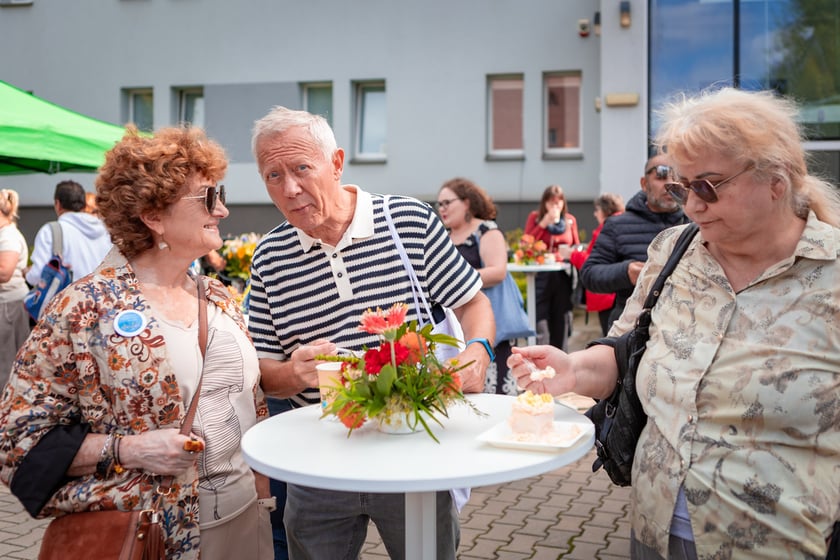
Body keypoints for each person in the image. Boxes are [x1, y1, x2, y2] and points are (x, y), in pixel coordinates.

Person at [509, 87, 840, 559]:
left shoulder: (831, 271)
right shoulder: (674, 250)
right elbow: (625, 347)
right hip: (654, 530)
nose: (692, 206)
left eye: (707, 186)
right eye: (682, 189)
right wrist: (574, 370)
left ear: (777, 179)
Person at [0, 126, 273, 560]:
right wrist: (129, 449)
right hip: (155, 535)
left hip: (245, 523)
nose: (221, 209)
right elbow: (17, 439)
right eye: (207, 197)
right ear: (153, 215)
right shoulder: (85, 309)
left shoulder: (218, 296)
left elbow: (246, 402)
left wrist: (263, 498)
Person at [248, 106, 495, 560]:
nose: (290, 188)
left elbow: (473, 302)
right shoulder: (269, 256)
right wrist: (294, 374)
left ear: (337, 163)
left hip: (412, 445)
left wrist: (477, 351)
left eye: (302, 168)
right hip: (318, 459)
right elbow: (264, 372)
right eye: (273, 175)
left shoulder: (408, 221)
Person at [580, 154, 689, 333]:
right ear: (644, 184)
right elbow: (589, 274)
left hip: (682, 330)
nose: (670, 184)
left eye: (676, 177)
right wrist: (626, 272)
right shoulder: (617, 225)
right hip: (631, 334)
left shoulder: (695, 225)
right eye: (661, 175)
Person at [437, 177, 515, 394]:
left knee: (495, 389)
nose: (442, 209)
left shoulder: (486, 231)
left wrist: (457, 280)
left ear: (467, 202)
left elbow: (498, 270)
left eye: (447, 203)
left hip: (491, 321)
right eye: (439, 205)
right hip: (457, 327)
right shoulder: (443, 237)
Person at [25, 180, 112, 288]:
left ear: (57, 204)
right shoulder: (107, 231)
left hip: (65, 301)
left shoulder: (51, 231)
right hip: (101, 298)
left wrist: (26, 274)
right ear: (84, 205)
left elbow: (37, 275)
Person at [524, 185, 580, 351]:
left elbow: (576, 244)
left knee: (561, 319)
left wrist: (570, 252)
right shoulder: (535, 218)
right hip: (541, 274)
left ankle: (560, 358)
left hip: (562, 274)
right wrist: (543, 224)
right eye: (551, 203)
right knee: (540, 319)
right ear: (545, 203)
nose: (555, 206)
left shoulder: (569, 220)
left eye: (558, 202)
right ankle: (540, 354)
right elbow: (525, 243)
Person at [568, 193, 624, 336]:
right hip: (620, 291)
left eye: (597, 210)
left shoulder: (606, 229)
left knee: (610, 338)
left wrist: (572, 254)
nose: (595, 214)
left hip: (607, 292)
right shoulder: (624, 224)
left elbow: (592, 263)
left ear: (605, 210)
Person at [0, 188, 30, 386]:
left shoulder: (8, 236)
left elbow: (4, 272)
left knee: (7, 362)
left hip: (8, 306)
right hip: (9, 305)